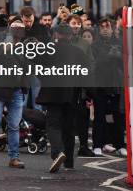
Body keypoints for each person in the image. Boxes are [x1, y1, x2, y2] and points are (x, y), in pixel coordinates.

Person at [36, 24, 91, 173]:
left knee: (53, 125)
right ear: (70, 36)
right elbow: (86, 73)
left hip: (52, 93)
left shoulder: (48, 50)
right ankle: (69, 163)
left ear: (57, 35)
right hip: (71, 94)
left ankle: (57, 153)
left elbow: (37, 67)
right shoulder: (78, 52)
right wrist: (86, 94)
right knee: (69, 128)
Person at [0, 18, 28, 169]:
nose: (17, 33)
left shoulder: (25, 48)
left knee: (14, 125)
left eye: (20, 29)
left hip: (16, 90)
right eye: (15, 29)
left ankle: (14, 158)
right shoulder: (1, 45)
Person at [91, 18, 126, 157]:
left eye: (107, 26)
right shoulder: (94, 45)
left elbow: (125, 63)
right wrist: (107, 56)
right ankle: (97, 145)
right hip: (100, 85)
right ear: (99, 30)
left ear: (112, 29)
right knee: (99, 117)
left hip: (116, 85)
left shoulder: (119, 44)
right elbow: (94, 65)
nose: (105, 29)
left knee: (118, 117)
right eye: (102, 27)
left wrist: (118, 56)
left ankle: (119, 145)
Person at [67, 13, 95, 157]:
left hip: (81, 85)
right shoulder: (63, 40)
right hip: (65, 85)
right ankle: (66, 148)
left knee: (83, 117)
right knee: (67, 118)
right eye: (73, 23)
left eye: (78, 24)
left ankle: (83, 146)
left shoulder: (84, 43)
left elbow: (90, 63)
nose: (76, 26)